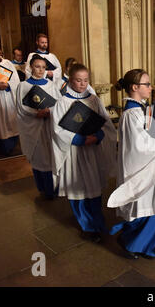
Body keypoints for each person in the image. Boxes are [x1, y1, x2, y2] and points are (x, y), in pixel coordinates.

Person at [107, 69, 155, 259]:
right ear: (135, 87)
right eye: (147, 84)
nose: (151, 87)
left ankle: (147, 244)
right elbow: (140, 144)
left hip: (151, 163)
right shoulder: (132, 114)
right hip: (141, 166)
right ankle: (131, 242)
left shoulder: (141, 108)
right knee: (151, 203)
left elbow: (150, 133)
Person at [50, 63, 117, 243]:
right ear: (70, 80)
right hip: (74, 153)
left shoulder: (94, 100)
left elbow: (106, 124)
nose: (82, 84)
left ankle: (98, 221)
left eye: (85, 80)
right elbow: (57, 130)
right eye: (78, 80)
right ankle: (87, 226)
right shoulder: (62, 103)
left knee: (94, 189)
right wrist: (80, 139)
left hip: (92, 152)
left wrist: (99, 135)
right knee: (78, 189)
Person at [16, 54, 62, 200]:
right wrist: (36, 113)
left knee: (51, 158)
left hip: (49, 126)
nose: (41, 70)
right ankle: (43, 187)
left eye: (43, 67)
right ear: (30, 67)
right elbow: (20, 107)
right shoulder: (23, 86)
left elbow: (60, 105)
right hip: (33, 127)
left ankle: (53, 188)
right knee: (38, 158)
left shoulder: (51, 85)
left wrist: (49, 111)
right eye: (37, 66)